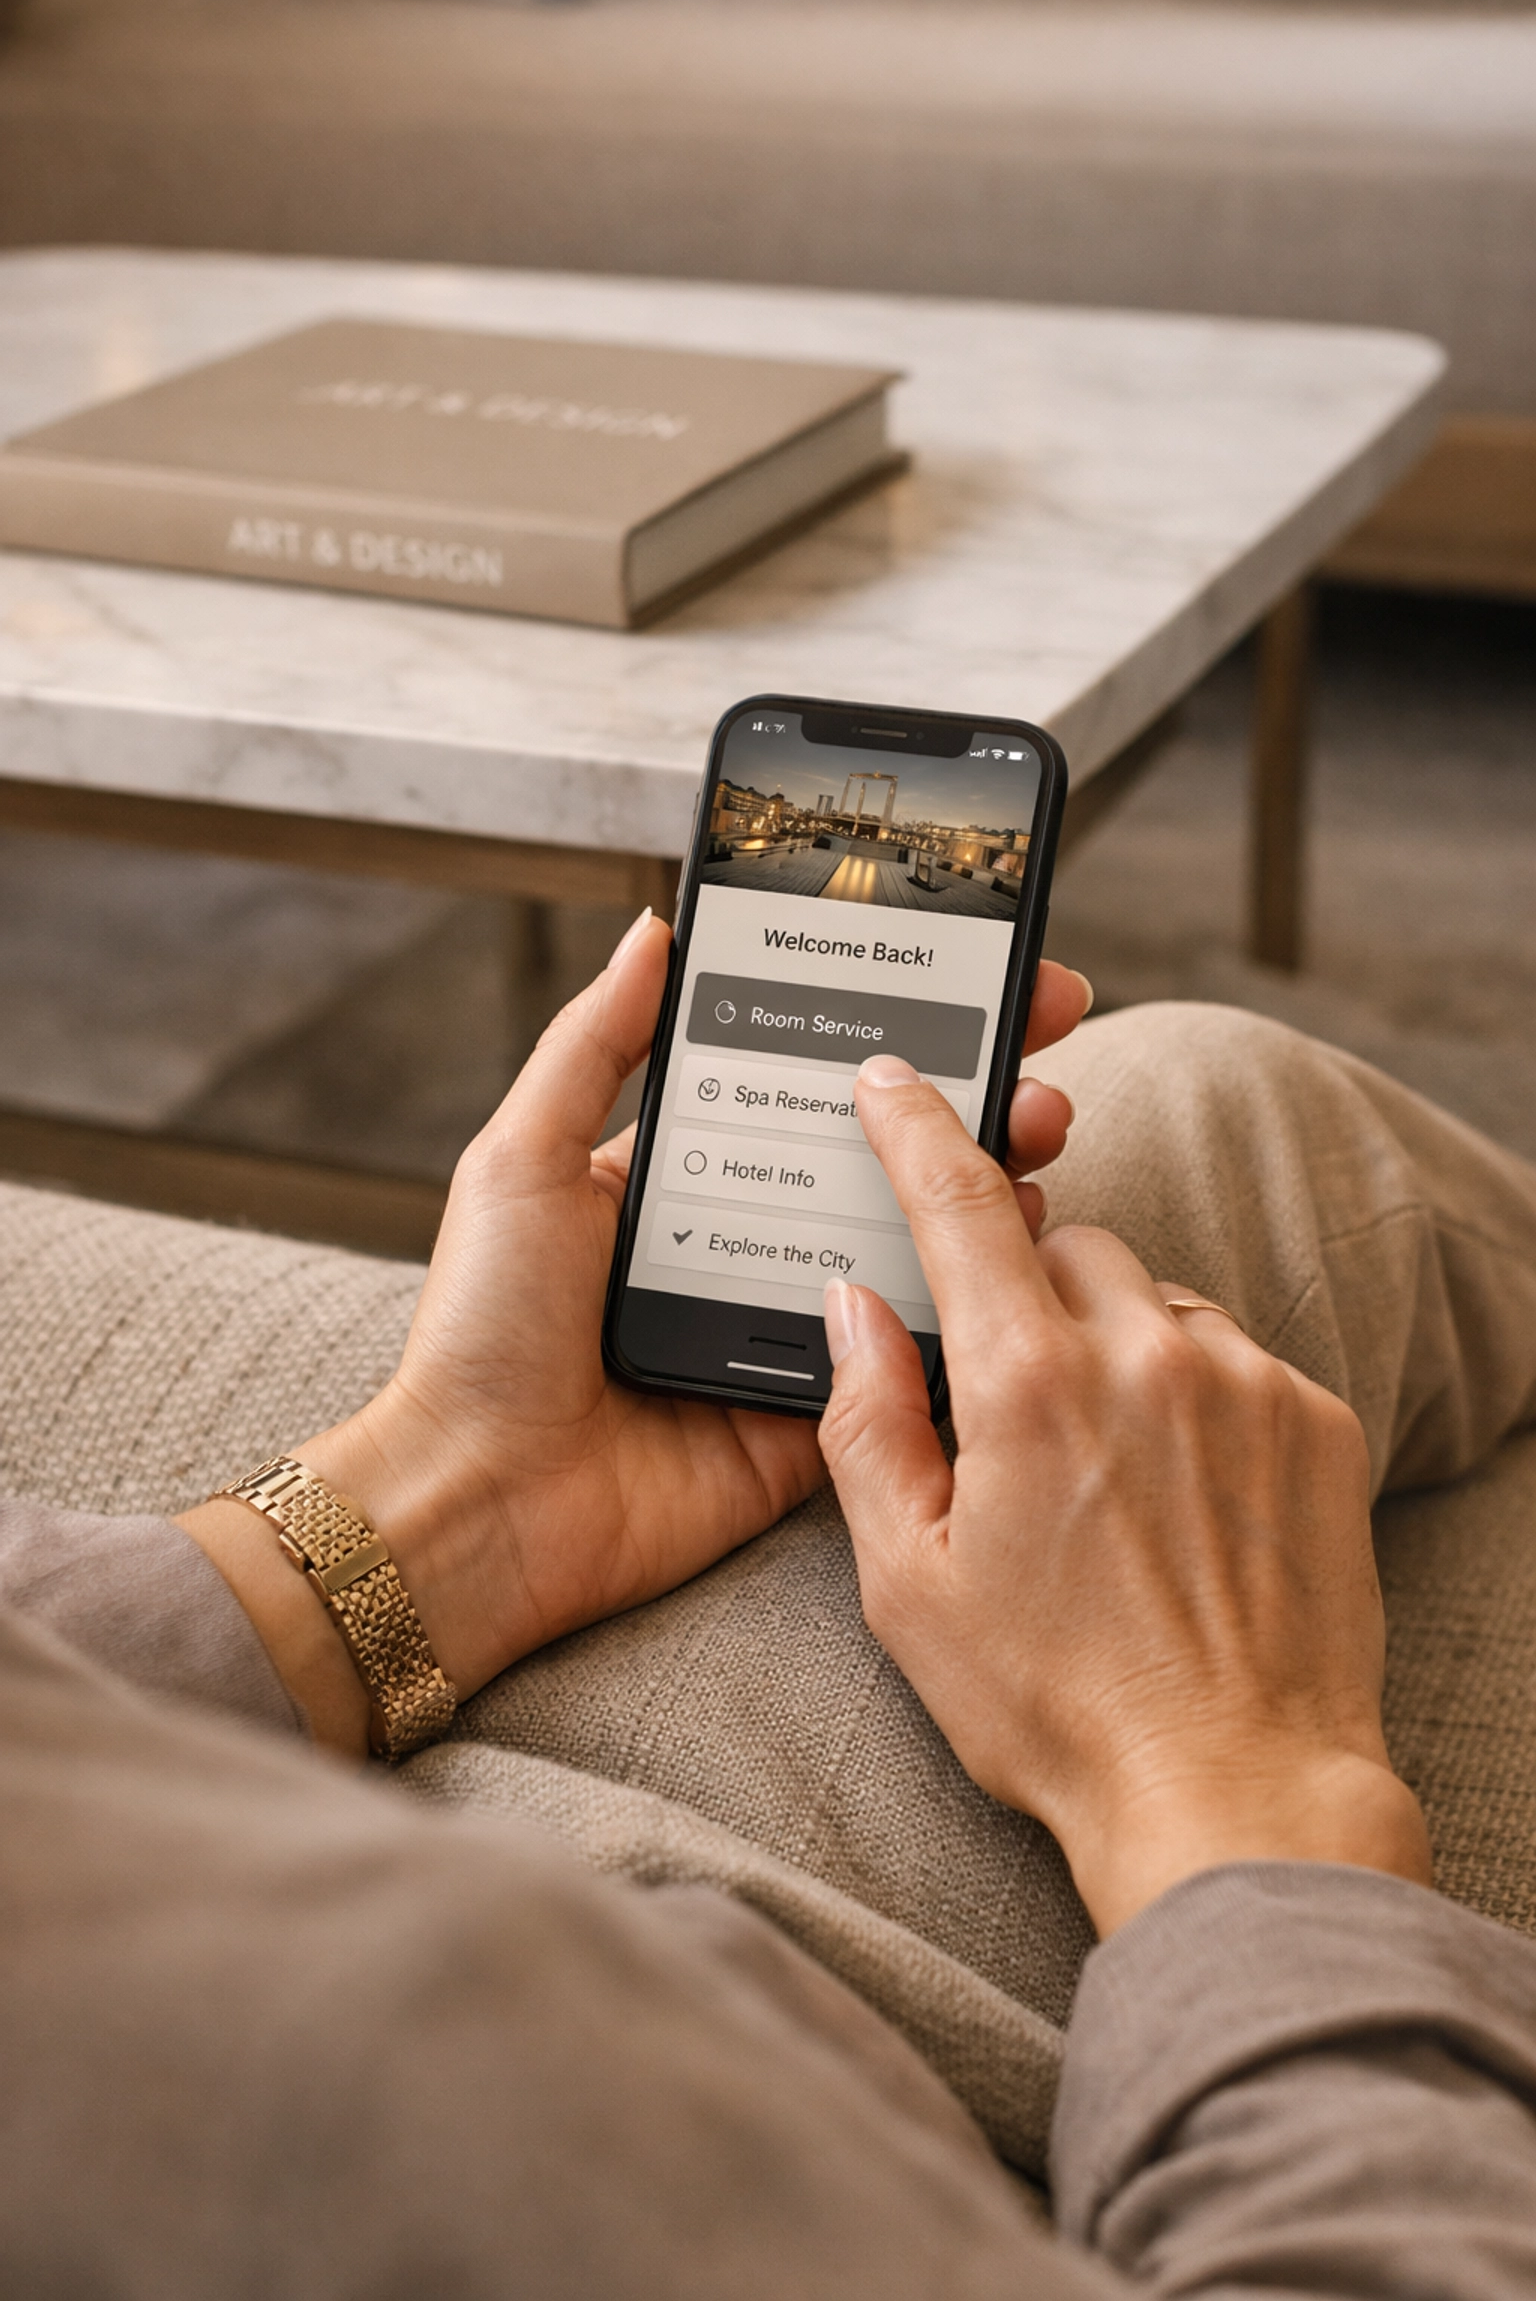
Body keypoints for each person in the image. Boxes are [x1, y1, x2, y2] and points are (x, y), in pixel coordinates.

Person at [4, 906, 1536, 2298]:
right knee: (1214, 1115)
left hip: (290, 1802)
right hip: (609, 2044)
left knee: (1140, 1158)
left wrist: (434, 1513)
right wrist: (1237, 1789)